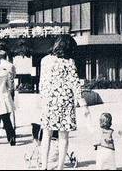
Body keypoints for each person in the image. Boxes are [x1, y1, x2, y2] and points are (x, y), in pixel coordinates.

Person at [38, 34, 89, 170]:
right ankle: (60, 167)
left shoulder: (44, 60)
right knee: (63, 136)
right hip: (65, 102)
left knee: (46, 135)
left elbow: (42, 83)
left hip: (48, 102)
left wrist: (42, 99)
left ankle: (44, 166)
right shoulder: (69, 62)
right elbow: (75, 85)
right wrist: (83, 104)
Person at [0, 50, 16, 138]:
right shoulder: (11, 65)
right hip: (8, 89)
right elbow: (14, 76)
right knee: (8, 109)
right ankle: (7, 127)